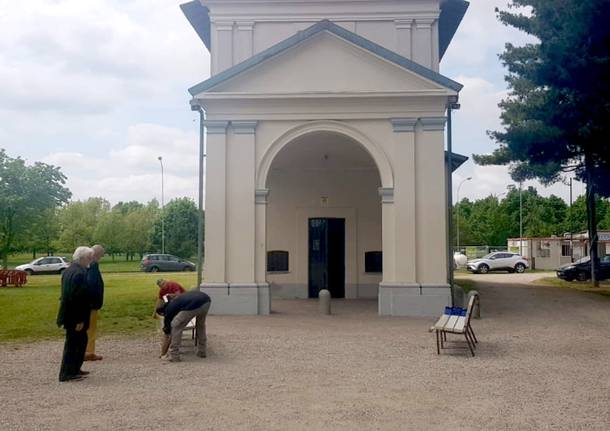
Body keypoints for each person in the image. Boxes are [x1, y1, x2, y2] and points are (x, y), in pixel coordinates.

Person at [57, 246, 94, 382]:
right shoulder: (79, 273)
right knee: (73, 344)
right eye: (89, 258)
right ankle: (67, 373)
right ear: (83, 258)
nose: (90, 260)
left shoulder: (69, 271)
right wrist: (79, 319)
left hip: (70, 313)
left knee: (80, 342)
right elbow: (76, 298)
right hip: (75, 316)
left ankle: (75, 368)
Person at [156, 289, 211, 362]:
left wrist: (163, 352)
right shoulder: (176, 301)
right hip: (206, 300)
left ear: (162, 313)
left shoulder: (168, 310)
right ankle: (202, 351)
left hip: (194, 304)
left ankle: (174, 356)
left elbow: (168, 331)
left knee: (176, 326)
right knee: (200, 325)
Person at [85, 244, 105, 361]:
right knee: (91, 329)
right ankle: (89, 352)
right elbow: (92, 284)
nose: (101, 258)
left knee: (88, 329)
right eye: (101, 255)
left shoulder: (87, 265)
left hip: (89, 303)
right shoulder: (93, 265)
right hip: (91, 304)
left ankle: (87, 351)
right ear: (97, 254)